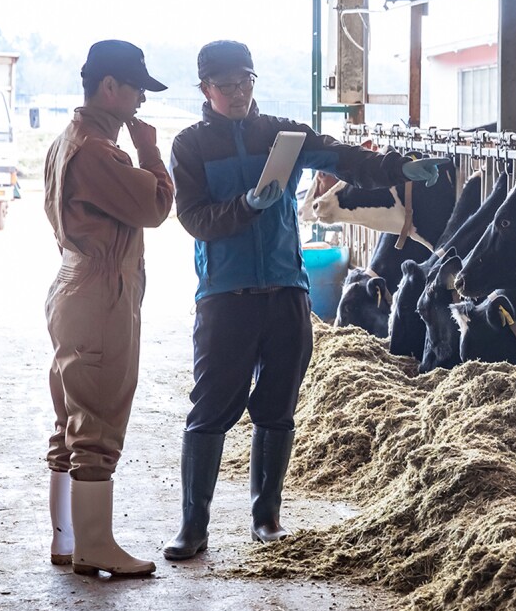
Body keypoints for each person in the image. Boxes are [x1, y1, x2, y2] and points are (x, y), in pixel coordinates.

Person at [163, 40, 448, 560]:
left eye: (245, 82)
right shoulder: (190, 146)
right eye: (226, 86)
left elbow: (345, 158)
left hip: (286, 289)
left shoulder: (283, 134)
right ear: (205, 88)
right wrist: (246, 205)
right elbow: (194, 218)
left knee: (279, 405)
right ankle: (193, 526)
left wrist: (397, 170)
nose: (238, 94)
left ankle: (267, 518)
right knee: (211, 407)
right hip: (226, 294)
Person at [43, 40, 175, 577]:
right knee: (97, 421)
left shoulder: (67, 140)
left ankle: (68, 539)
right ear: (109, 87)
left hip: (76, 282)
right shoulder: (98, 150)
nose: (142, 98)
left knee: (71, 419)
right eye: (137, 87)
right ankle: (94, 547)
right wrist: (150, 151)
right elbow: (156, 206)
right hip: (100, 290)